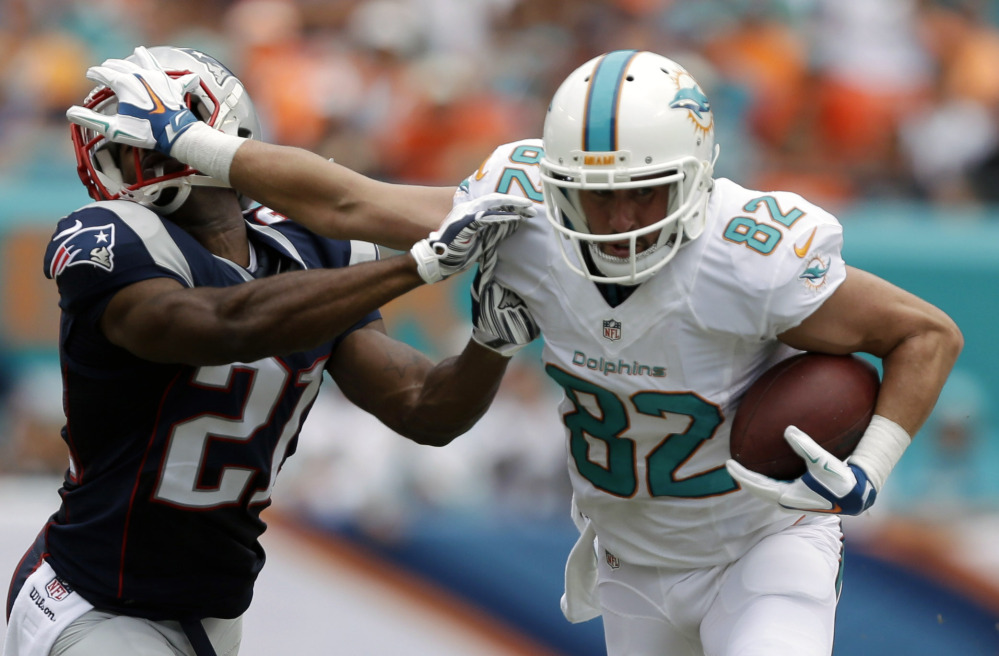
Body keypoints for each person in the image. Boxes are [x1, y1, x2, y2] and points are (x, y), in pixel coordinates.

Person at [76, 48, 963, 656]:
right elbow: (350, 203)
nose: (616, 221)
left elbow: (924, 332)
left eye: (640, 195)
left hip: (761, 539)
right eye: (590, 195)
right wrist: (200, 149)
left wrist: (872, 463)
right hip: (630, 553)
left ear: (696, 176)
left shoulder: (754, 253)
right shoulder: (525, 214)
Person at [2, 46, 536, 656]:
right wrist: (417, 267)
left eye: (148, 136)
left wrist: (495, 339)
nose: (133, 156)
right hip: (92, 597)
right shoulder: (110, 237)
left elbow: (424, 409)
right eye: (121, 143)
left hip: (211, 610)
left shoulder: (311, 244)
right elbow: (222, 322)